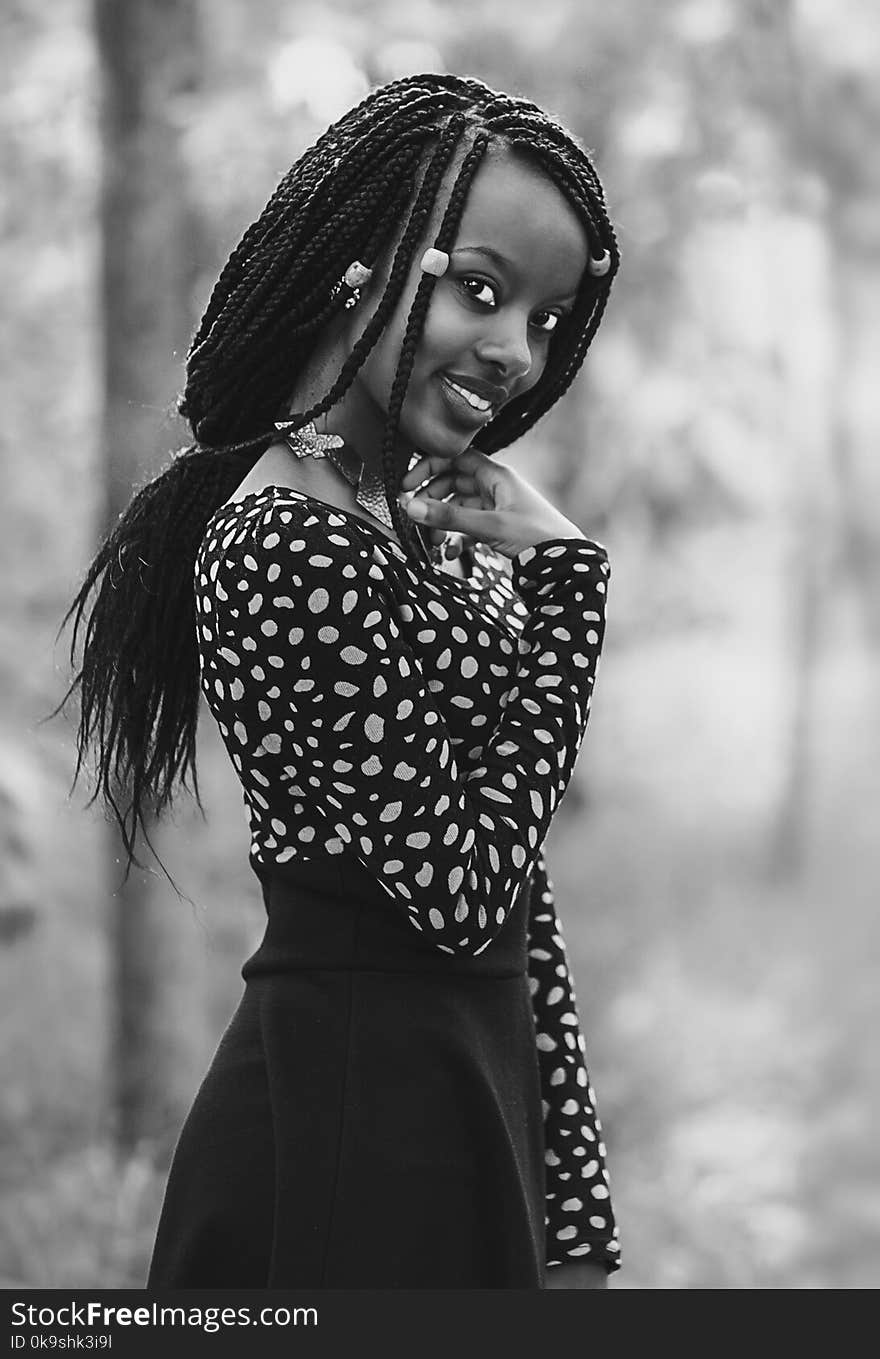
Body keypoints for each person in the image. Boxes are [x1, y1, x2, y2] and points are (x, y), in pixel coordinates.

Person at [55, 72, 621, 1289]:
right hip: (349, 1141)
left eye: (547, 318)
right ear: (361, 261)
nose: (517, 351)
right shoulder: (284, 541)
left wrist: (573, 1209)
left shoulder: (413, 524)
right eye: (480, 288)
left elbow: (518, 890)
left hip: (467, 1113)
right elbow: (458, 894)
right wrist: (571, 591)